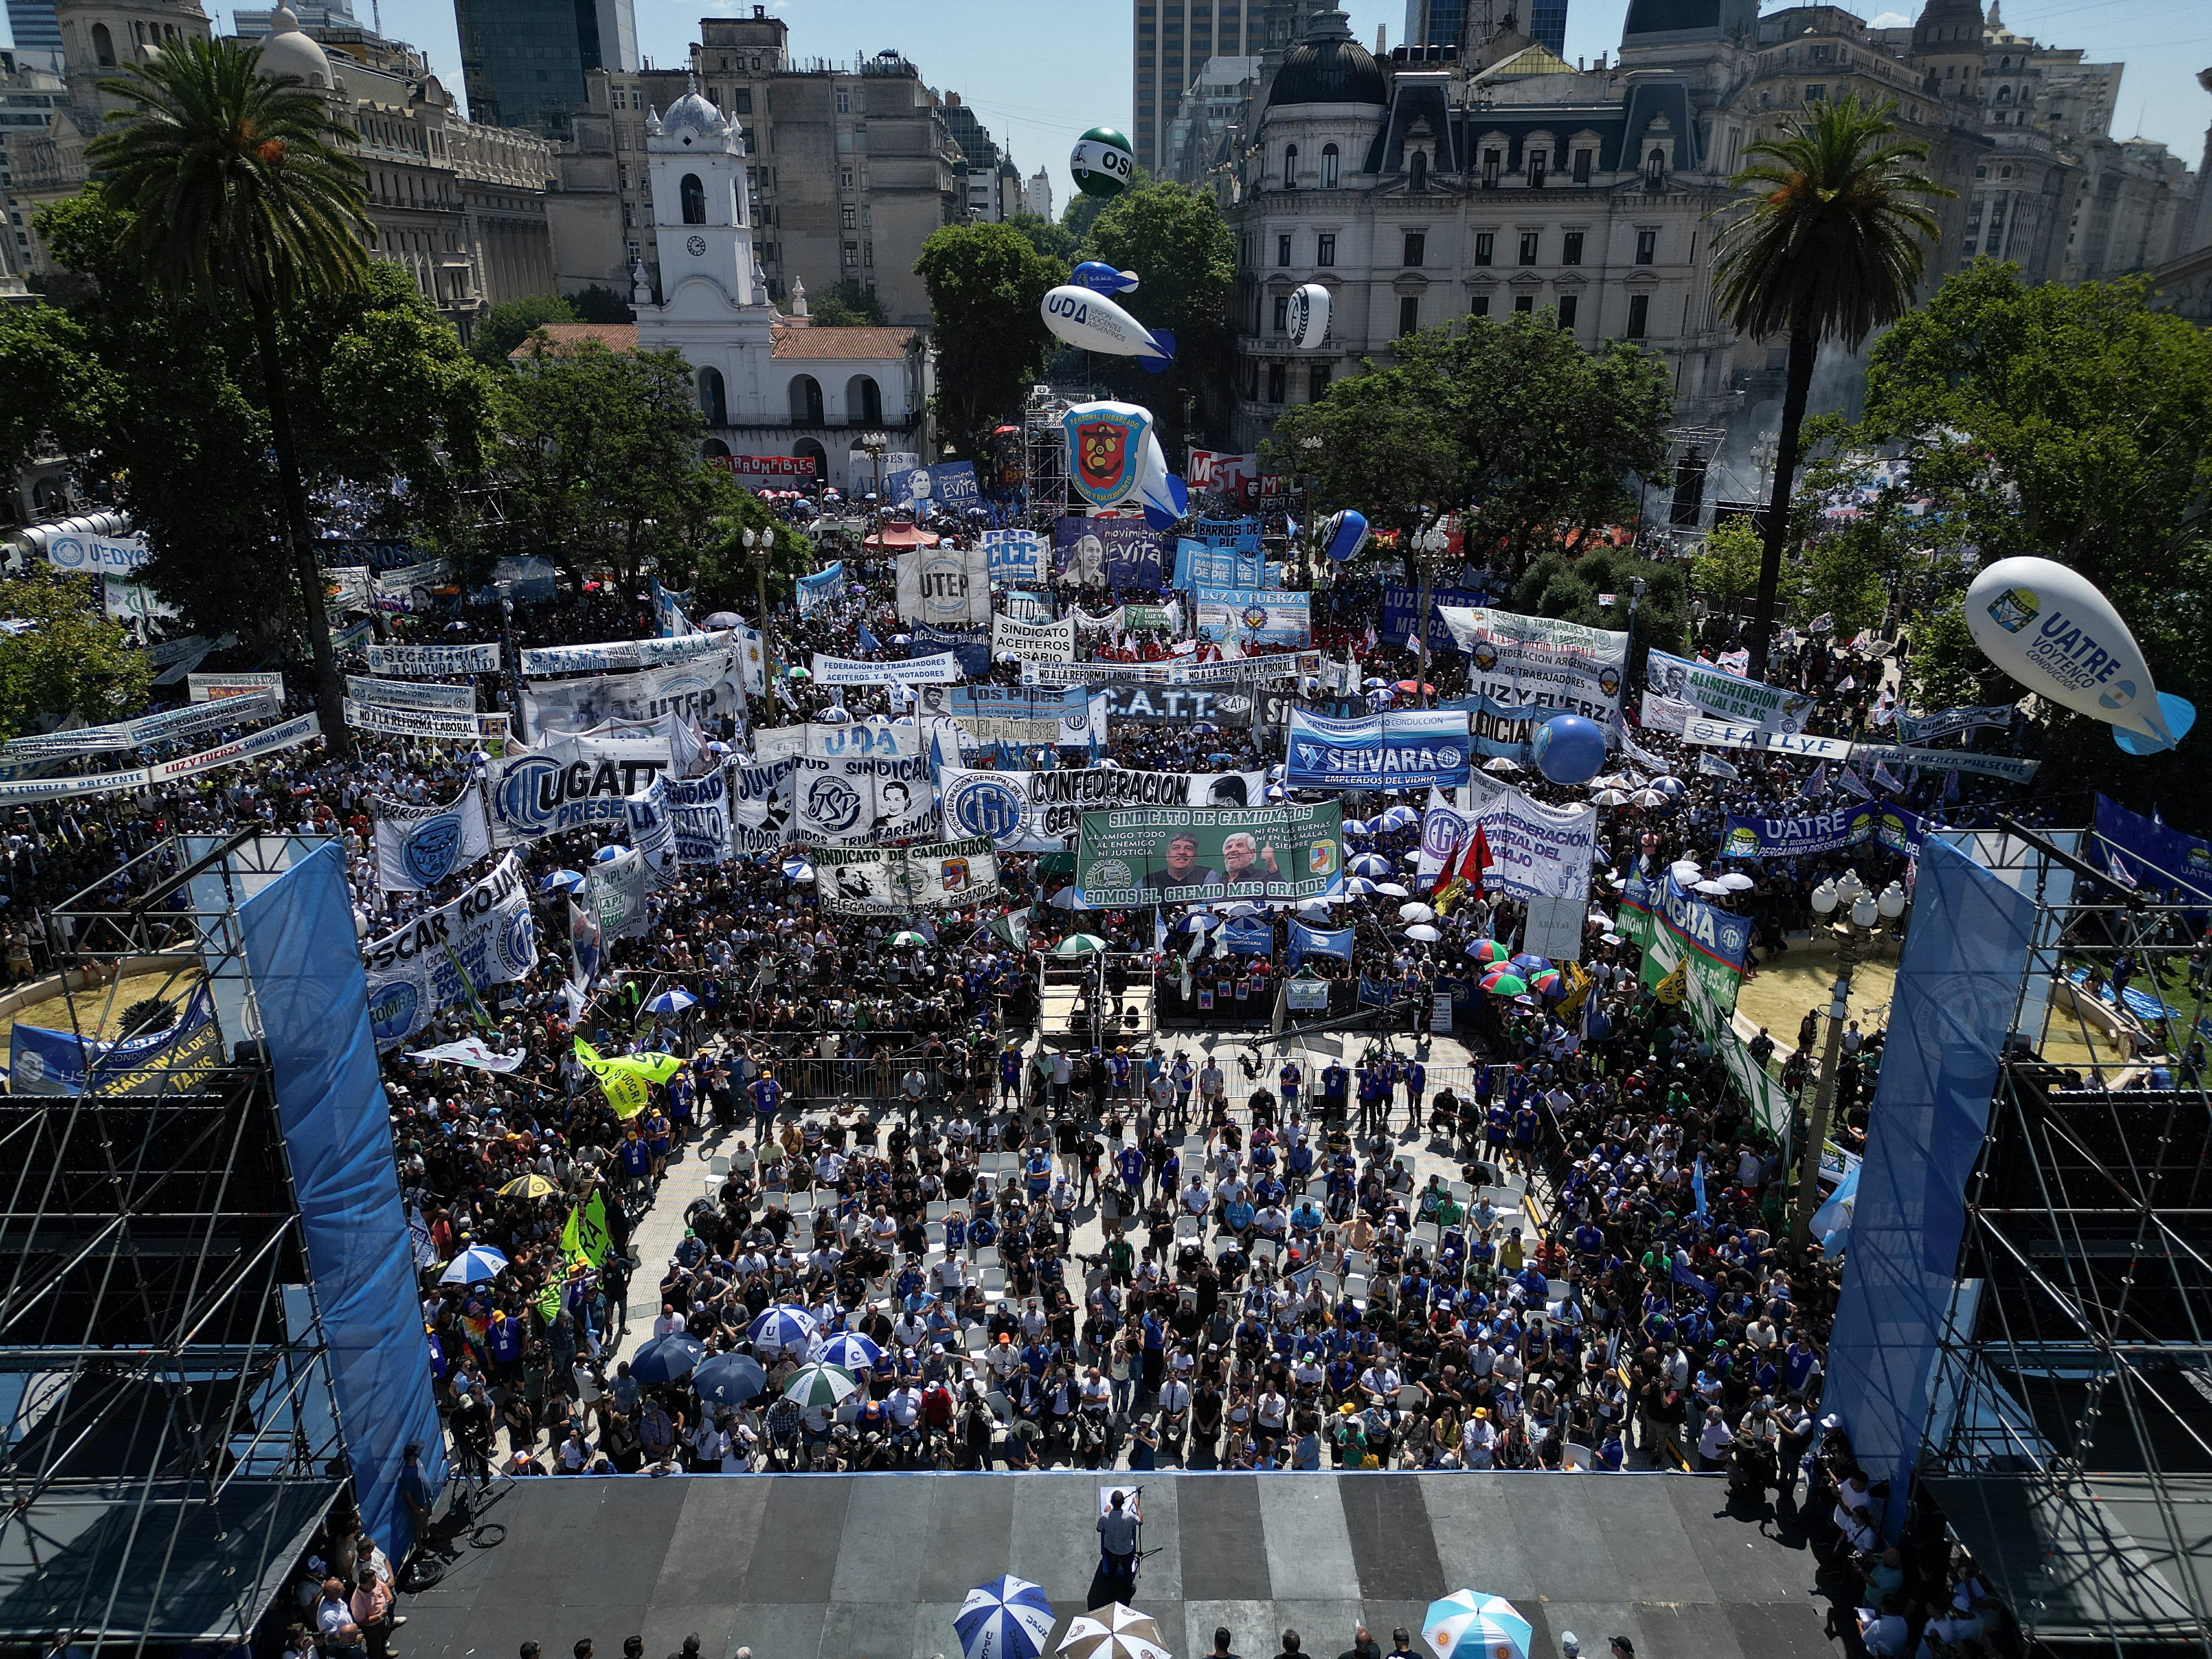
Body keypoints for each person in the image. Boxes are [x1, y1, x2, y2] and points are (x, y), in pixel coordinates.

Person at [1097, 1487, 1141, 1600]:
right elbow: (1141, 1521)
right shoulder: (1130, 1517)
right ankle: (1128, 1589)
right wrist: (1137, 1505)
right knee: (1127, 1571)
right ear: (1123, 1502)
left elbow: (1099, 1529)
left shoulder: (1104, 1517)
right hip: (1127, 1550)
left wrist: (1106, 1513)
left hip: (1111, 1550)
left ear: (1111, 1502)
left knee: (1112, 1571)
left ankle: (1112, 1590)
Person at [1144, 831, 1222, 895]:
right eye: (1176, 848)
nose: (1182, 852)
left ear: (1196, 856)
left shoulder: (1208, 876)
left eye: (1188, 848)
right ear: (1167, 855)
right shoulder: (1150, 880)